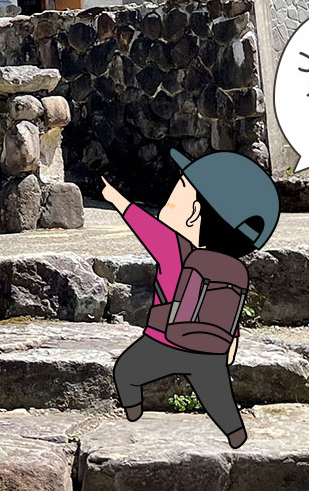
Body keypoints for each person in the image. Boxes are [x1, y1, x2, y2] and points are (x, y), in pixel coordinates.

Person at [100, 148, 280, 448]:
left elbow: (143, 226)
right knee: (219, 400)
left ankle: (133, 415)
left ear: (195, 213)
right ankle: (236, 434)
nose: (169, 198)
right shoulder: (235, 269)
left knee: (126, 373)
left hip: (164, 342)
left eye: (178, 191)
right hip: (211, 352)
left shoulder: (174, 248)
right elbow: (229, 310)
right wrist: (231, 343)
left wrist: (115, 198)